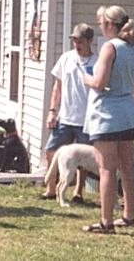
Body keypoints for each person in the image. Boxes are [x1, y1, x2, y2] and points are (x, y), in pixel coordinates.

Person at [81, 5, 134, 234]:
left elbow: (99, 82)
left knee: (106, 169)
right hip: (129, 115)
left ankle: (106, 222)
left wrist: (86, 78)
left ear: (110, 25)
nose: (100, 27)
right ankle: (129, 216)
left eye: (101, 23)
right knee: (127, 168)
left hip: (107, 116)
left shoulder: (110, 47)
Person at [42, 23, 98, 201]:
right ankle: (51, 189)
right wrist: (52, 111)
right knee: (51, 150)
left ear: (90, 41)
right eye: (74, 40)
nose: (77, 44)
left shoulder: (97, 61)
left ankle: (78, 192)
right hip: (65, 117)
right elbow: (57, 87)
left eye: (80, 41)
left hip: (87, 119)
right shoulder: (66, 58)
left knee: (84, 160)